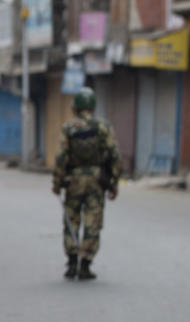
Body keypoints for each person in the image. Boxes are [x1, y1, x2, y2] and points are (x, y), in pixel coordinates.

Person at [52, 87, 121, 280]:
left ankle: (72, 261)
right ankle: (85, 265)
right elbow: (115, 155)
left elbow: (60, 157)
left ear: (76, 107)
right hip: (97, 181)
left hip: (73, 181)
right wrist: (114, 182)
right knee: (93, 222)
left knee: (71, 220)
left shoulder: (69, 127)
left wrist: (57, 183)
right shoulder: (104, 126)